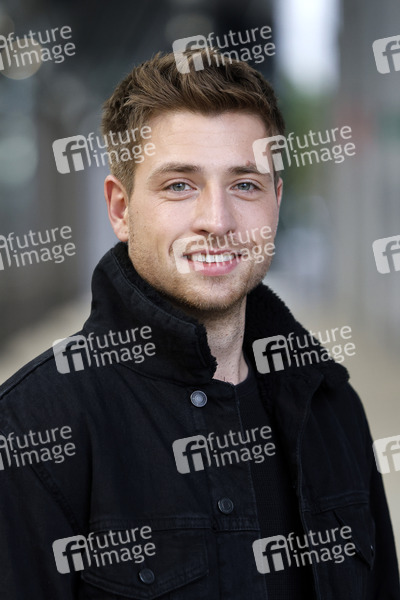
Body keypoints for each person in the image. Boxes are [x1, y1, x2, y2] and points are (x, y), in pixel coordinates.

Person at [0, 49, 398, 600]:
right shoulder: (33, 428)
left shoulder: (329, 404)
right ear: (120, 209)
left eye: (245, 185)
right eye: (179, 185)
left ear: (276, 201)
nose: (217, 220)